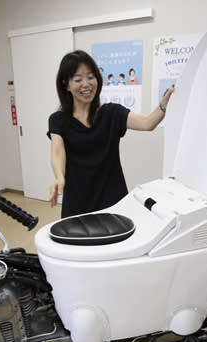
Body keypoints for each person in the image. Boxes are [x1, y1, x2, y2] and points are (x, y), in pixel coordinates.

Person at [48, 50, 174, 218]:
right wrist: (59, 177)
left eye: (91, 77)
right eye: (78, 79)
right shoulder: (58, 119)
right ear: (66, 85)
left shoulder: (111, 113)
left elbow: (147, 123)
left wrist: (165, 104)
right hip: (77, 202)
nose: (86, 84)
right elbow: (57, 151)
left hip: (113, 200)